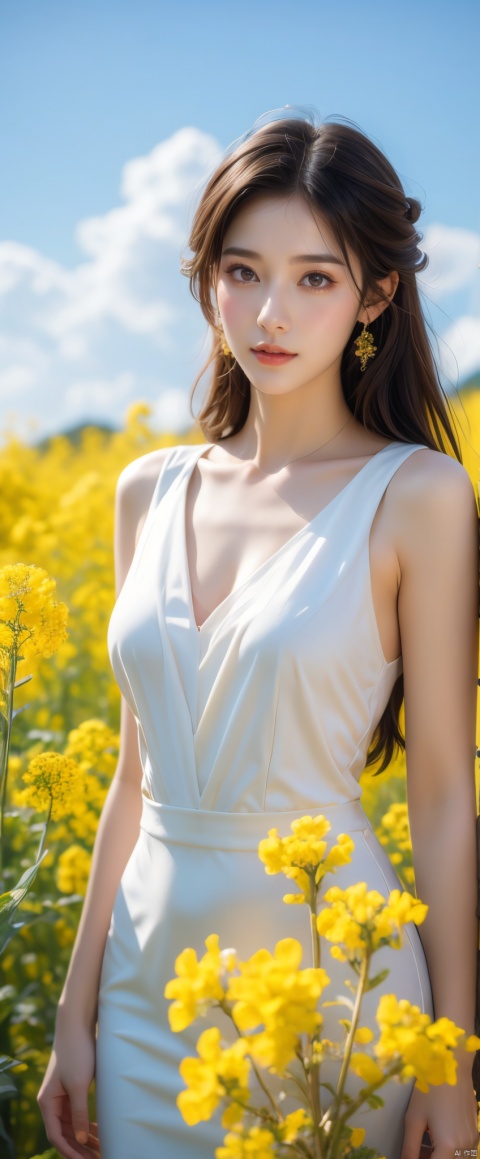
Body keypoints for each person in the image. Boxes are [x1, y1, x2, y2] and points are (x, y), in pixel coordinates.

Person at [37, 112, 479, 1159]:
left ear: (375, 295)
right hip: (152, 1004)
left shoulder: (416, 494)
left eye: (316, 279)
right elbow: (134, 781)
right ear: (208, 281)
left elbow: (445, 802)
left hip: (338, 990)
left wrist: (451, 1059)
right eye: (244, 272)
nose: (271, 312)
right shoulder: (146, 489)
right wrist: (74, 1009)